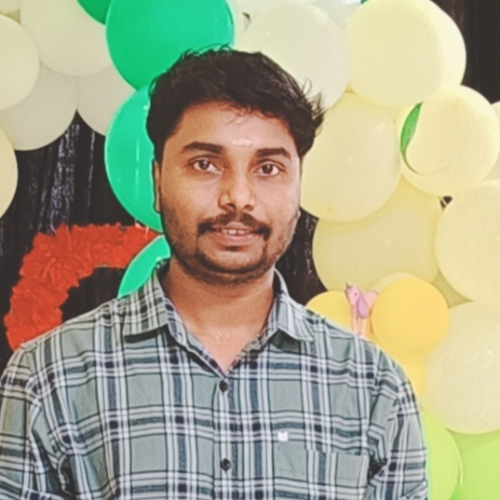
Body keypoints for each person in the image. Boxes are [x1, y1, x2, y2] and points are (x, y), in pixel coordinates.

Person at [0, 49, 428, 500]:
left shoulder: (375, 389)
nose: (238, 197)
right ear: (157, 182)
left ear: (298, 184)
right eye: (205, 164)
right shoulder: (50, 376)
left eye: (268, 168)